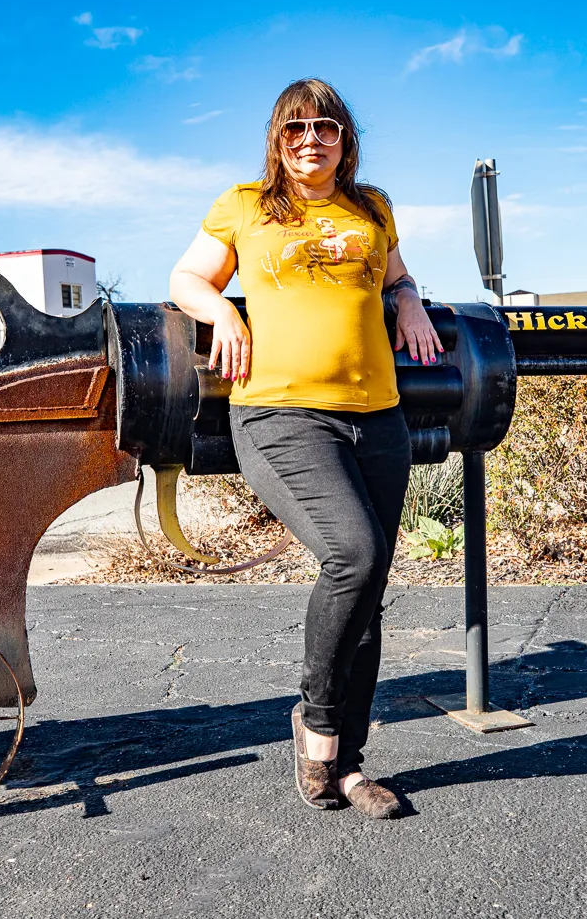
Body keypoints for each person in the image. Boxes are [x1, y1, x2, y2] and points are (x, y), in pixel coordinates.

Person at [169, 78, 441, 819]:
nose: (310, 140)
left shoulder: (372, 208)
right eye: (295, 130)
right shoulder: (245, 204)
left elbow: (397, 272)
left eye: (325, 127)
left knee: (369, 588)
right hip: (281, 415)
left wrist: (410, 297)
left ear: (345, 139)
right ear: (277, 140)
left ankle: (348, 767)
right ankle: (316, 722)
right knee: (352, 552)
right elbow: (185, 276)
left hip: (377, 418)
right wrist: (221, 309)